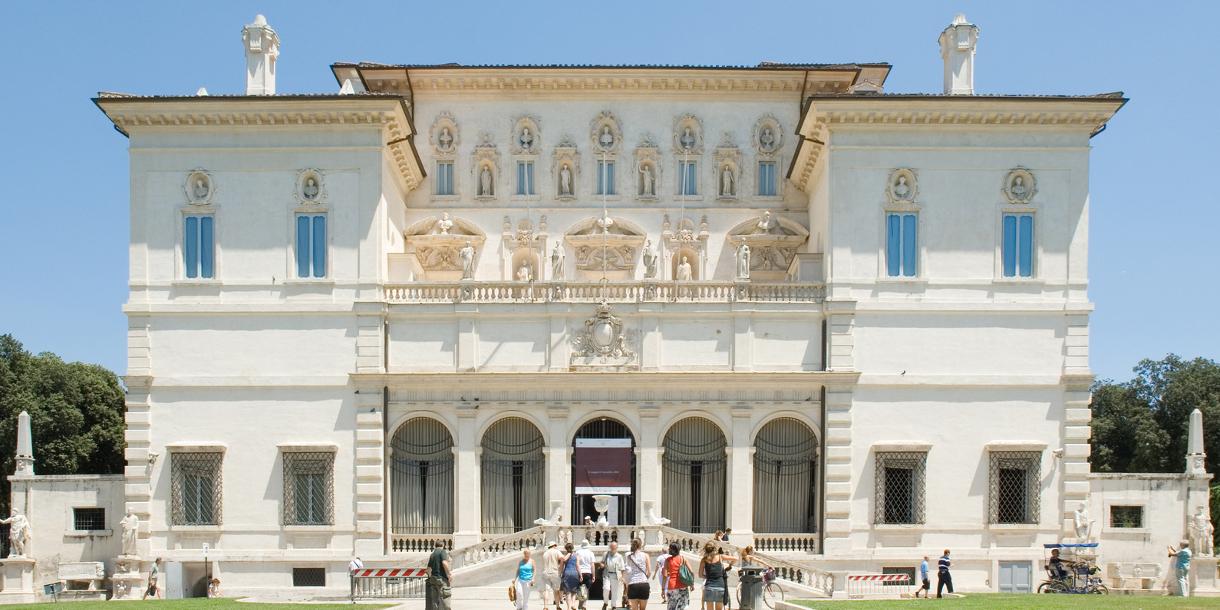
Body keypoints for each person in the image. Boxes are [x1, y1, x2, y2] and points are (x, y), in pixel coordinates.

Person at [699, 541, 736, 610]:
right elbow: (735, 558)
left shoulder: (704, 560)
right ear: (715, 548)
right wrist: (730, 565)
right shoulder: (720, 557)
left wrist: (708, 577)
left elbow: (700, 575)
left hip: (709, 586)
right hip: (720, 586)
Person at [663, 542, 694, 610]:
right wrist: (692, 584)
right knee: (683, 606)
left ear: (673, 549)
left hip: (672, 586)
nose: (668, 549)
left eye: (670, 548)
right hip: (683, 585)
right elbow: (691, 572)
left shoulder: (667, 560)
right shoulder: (683, 559)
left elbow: (665, 576)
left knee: (671, 607)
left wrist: (663, 589)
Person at [624, 538, 651, 610]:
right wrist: (645, 578)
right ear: (641, 545)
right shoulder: (646, 555)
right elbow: (649, 572)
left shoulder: (629, 556)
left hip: (633, 584)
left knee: (634, 609)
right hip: (643, 584)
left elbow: (628, 571)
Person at [426, 540, 452, 610]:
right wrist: (449, 575)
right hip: (442, 579)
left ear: (435, 546)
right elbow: (444, 563)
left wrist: (430, 577)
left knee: (435, 600)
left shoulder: (432, 554)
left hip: (433, 579)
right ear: (443, 545)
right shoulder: (442, 552)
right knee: (445, 598)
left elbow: (428, 569)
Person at [599, 541, 625, 610]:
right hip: (606, 574)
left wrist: (622, 577)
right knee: (606, 588)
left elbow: (622, 568)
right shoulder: (606, 554)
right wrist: (602, 565)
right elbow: (601, 563)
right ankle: (605, 602)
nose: (613, 549)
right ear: (610, 547)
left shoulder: (619, 556)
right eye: (611, 547)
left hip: (615, 575)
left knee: (614, 591)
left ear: (617, 548)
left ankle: (613, 605)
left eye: (614, 547)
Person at [575, 540, 597, 608]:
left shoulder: (577, 552)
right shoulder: (590, 553)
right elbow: (592, 565)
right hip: (588, 572)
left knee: (580, 588)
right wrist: (594, 575)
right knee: (586, 588)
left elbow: (577, 564)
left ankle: (580, 603)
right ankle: (584, 604)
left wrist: (580, 574)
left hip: (580, 572)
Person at [542, 541, 564, 609]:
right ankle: (557, 606)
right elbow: (562, 559)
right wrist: (560, 568)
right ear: (554, 545)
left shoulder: (545, 553)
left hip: (546, 572)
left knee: (546, 590)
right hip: (555, 572)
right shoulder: (556, 551)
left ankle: (545, 606)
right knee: (556, 591)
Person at [560, 542, 581, 610]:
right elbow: (578, 566)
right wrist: (580, 575)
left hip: (567, 573)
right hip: (575, 574)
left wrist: (560, 573)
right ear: (573, 548)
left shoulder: (564, 556)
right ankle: (573, 604)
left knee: (568, 592)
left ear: (566, 549)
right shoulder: (576, 556)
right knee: (574, 592)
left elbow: (562, 566)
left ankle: (569, 607)